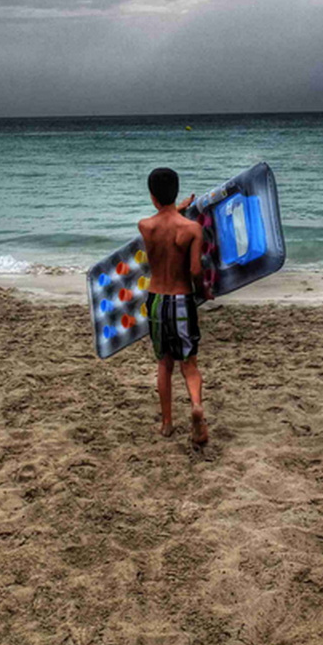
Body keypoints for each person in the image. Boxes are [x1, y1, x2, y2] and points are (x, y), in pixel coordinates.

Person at [138, 167, 209, 445]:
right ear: (177, 192)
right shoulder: (192, 229)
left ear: (153, 197)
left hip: (156, 300)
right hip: (182, 300)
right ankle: (196, 407)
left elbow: (163, 225)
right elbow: (194, 271)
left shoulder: (145, 226)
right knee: (189, 364)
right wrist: (206, 290)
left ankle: (167, 423)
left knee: (164, 364)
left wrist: (172, 209)